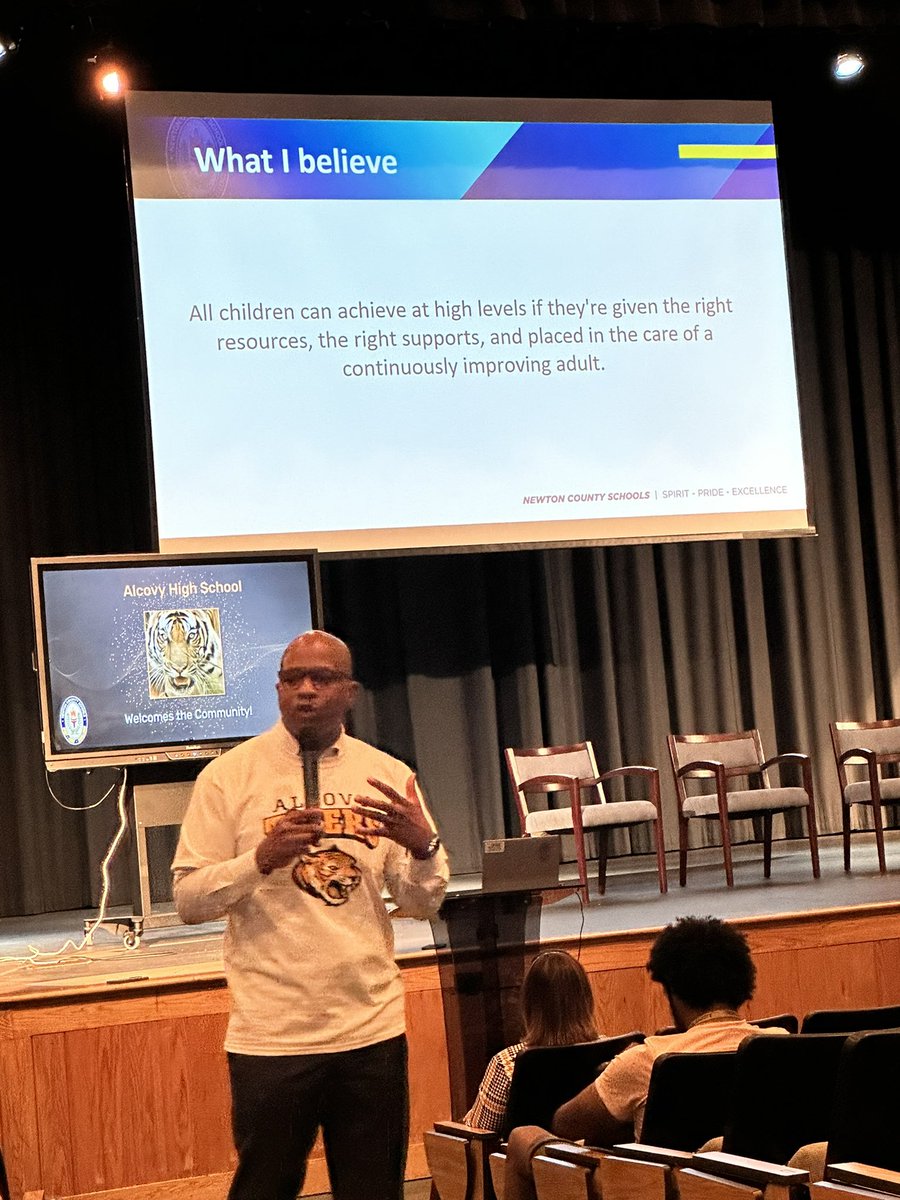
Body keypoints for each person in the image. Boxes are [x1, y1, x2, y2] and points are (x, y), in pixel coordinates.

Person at [172, 629, 449, 1200]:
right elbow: (189, 902)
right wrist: (260, 860)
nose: (305, 690)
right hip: (272, 1036)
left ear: (349, 692)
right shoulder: (228, 777)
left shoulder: (387, 775)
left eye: (321, 679)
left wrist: (423, 847)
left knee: (374, 1191)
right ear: (276, 688)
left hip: (370, 1031)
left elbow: (422, 902)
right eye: (291, 678)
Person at [503, 915, 787, 1200]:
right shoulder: (781, 1042)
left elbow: (565, 1124)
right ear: (742, 982)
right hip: (763, 1187)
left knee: (522, 1136)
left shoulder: (647, 1059)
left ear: (673, 993)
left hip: (661, 1191)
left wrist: (616, 1078)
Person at [463, 949, 602, 1132]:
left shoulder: (507, 1064)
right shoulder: (613, 1053)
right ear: (586, 999)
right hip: (591, 1158)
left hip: (528, 1158)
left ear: (529, 1005)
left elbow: (480, 1135)